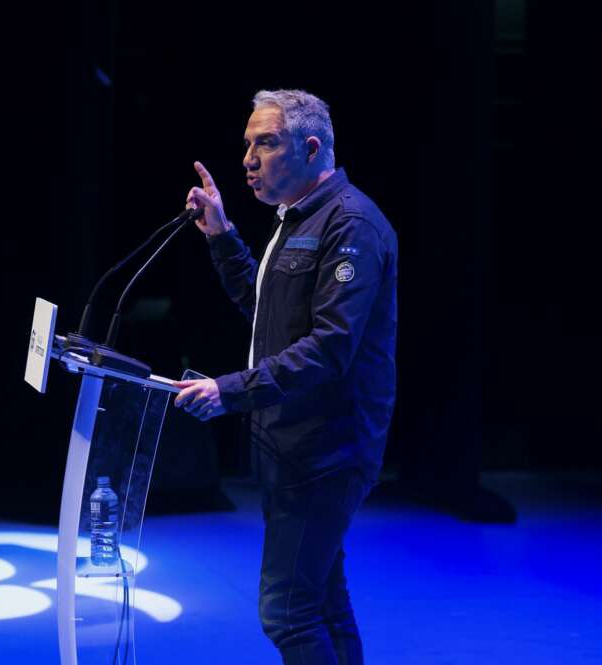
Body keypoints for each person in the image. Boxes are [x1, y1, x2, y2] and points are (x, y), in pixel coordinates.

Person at [173, 89, 397, 665]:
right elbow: (266, 310)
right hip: (289, 443)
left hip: (326, 449)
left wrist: (229, 391)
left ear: (311, 147)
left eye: (266, 143)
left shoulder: (351, 224)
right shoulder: (295, 221)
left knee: (288, 611)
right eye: (247, 144)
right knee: (322, 600)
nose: (248, 158)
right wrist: (221, 237)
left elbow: (330, 349)